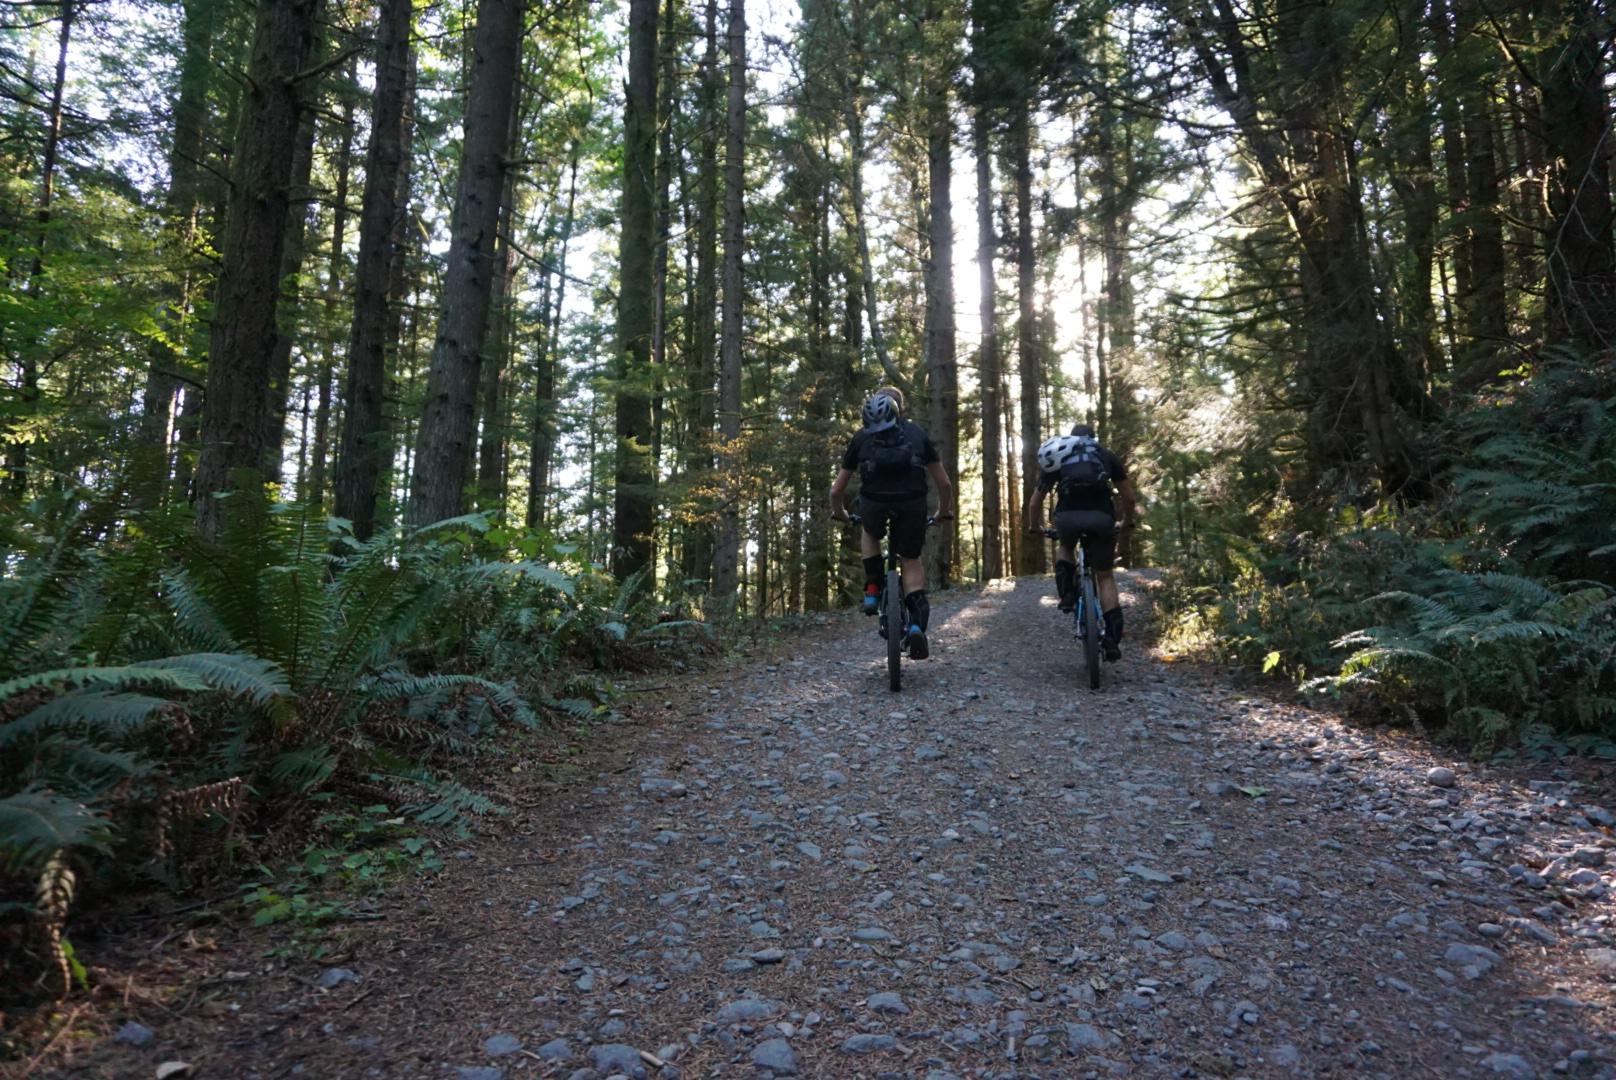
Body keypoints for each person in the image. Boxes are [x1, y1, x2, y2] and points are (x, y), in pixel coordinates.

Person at [829, 386, 955, 660]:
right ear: (900, 409)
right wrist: (943, 511)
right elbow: (944, 483)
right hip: (912, 503)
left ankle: (873, 589)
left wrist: (840, 513)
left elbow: (836, 491)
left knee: (870, 532)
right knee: (910, 559)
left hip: (873, 502)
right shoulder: (917, 434)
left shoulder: (861, 437)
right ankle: (915, 627)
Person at [1024, 423, 1136, 661]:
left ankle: (1067, 594)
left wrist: (1034, 527)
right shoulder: (1105, 455)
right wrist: (1127, 521)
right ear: (1093, 438)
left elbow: (1035, 502)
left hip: (1067, 518)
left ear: (1072, 438)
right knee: (1104, 575)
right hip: (1101, 517)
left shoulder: (1059, 454)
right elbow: (1129, 496)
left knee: (1065, 546)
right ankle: (1112, 638)